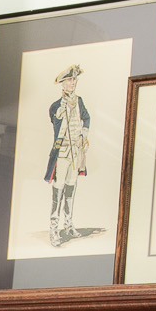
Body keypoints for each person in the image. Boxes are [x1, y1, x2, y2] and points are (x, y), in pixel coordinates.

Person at [45, 64, 91, 245]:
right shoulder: (56, 106)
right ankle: (54, 229)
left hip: (75, 152)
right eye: (69, 80)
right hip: (62, 152)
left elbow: (86, 117)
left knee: (71, 186)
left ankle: (69, 223)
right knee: (59, 188)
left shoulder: (79, 101)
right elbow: (55, 121)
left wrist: (84, 134)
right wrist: (63, 108)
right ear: (62, 84)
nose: (73, 83)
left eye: (74, 80)